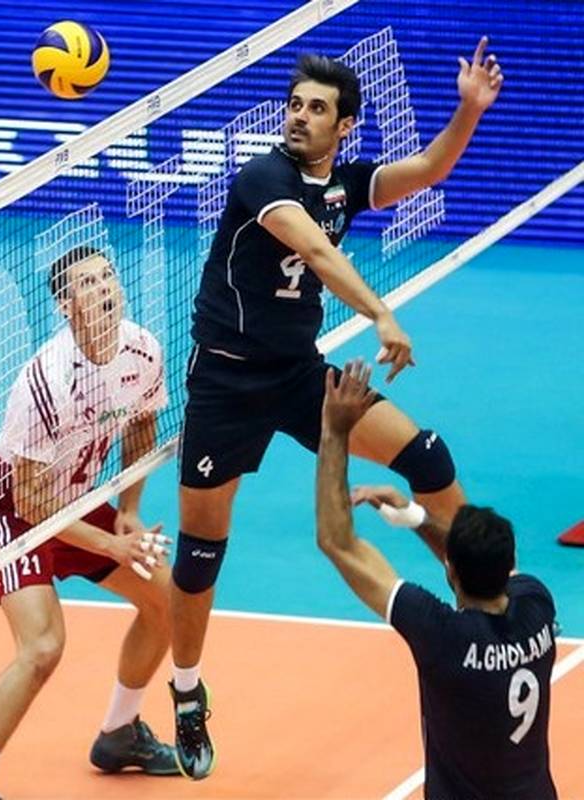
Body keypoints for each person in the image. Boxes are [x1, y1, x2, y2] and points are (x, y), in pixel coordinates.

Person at [168, 38, 505, 778]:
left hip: (296, 374)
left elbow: (431, 169)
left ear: (344, 125)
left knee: (427, 456)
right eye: (295, 105)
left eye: (316, 109)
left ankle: (483, 598)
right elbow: (318, 254)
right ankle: (187, 694)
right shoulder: (264, 176)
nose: (298, 116)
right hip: (225, 383)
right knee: (200, 554)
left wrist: (469, 111)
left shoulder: (347, 184)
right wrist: (381, 315)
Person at [0, 245, 177, 800]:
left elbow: (141, 426)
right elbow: (29, 502)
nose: (104, 288)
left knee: (167, 598)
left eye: (108, 276)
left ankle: (119, 734)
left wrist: (128, 510)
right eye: (87, 283)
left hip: (75, 499)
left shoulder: (142, 350)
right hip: (10, 508)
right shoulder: (47, 380)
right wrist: (109, 545)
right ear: (65, 305)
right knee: (43, 646)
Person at [317, 359, 557, 799]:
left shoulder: (443, 636)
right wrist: (413, 516)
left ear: (450, 570)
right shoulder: (537, 605)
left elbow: (338, 543)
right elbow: (469, 557)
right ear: (508, 563)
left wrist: (335, 431)